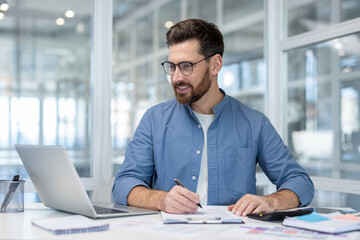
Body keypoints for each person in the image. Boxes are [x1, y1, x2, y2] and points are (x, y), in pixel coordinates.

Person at [112, 19, 314, 216]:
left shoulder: (254, 123)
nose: (176, 77)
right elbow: (123, 185)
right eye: (172, 66)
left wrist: (270, 201)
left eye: (186, 66)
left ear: (215, 65)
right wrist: (162, 200)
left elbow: (300, 182)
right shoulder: (154, 120)